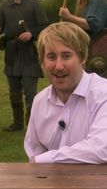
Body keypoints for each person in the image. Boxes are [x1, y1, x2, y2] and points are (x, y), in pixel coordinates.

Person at [24, 21, 107, 164]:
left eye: (66, 56)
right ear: (42, 63)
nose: (59, 66)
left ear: (82, 58)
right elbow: (34, 151)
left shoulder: (102, 94)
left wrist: (45, 159)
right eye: (51, 57)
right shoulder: (39, 101)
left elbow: (101, 149)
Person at [0, 0, 49, 131]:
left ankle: (32, 126)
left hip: (29, 53)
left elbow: (44, 26)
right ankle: (17, 123)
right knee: (14, 91)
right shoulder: (4, 5)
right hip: (12, 53)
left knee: (30, 93)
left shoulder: (34, 3)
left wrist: (31, 33)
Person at [59, 0, 107, 77]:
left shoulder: (98, 0)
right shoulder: (92, 1)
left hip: (96, 58)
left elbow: (92, 25)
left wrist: (69, 17)